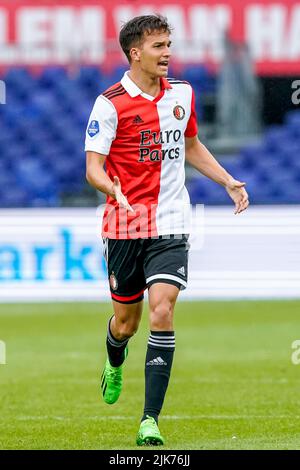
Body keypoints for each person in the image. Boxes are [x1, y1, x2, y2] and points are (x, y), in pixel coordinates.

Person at [85, 14, 249, 446]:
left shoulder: (183, 94)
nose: (168, 53)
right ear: (135, 53)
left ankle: (149, 421)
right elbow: (93, 169)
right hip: (124, 223)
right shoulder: (110, 103)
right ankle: (114, 359)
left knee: (163, 310)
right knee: (126, 322)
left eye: (169, 44)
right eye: (159, 46)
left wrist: (227, 179)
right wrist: (112, 189)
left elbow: (192, 145)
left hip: (172, 221)